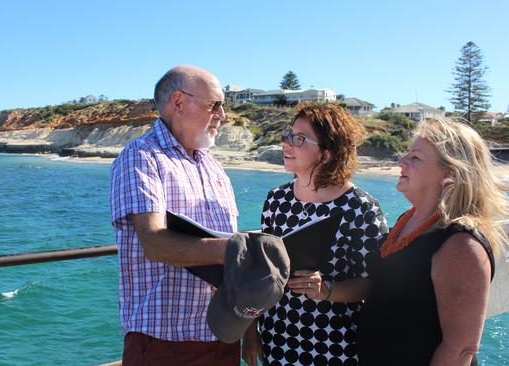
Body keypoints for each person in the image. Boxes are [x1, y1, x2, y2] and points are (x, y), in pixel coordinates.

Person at [109, 65, 240, 366]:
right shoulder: (141, 157)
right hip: (166, 342)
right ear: (178, 103)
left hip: (224, 336)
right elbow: (154, 243)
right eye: (215, 105)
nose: (222, 115)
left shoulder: (213, 166)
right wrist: (238, 248)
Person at [242, 102, 389, 366]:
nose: (286, 144)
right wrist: (251, 332)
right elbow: (261, 271)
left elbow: (375, 283)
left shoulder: (359, 208)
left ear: (327, 153)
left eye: (299, 139)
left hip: (335, 346)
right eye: (288, 135)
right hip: (277, 339)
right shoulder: (277, 199)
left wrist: (327, 290)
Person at [356, 118, 507, 365]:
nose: (401, 162)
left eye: (415, 157)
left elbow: (460, 348)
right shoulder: (410, 220)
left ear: (449, 173)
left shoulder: (460, 243)